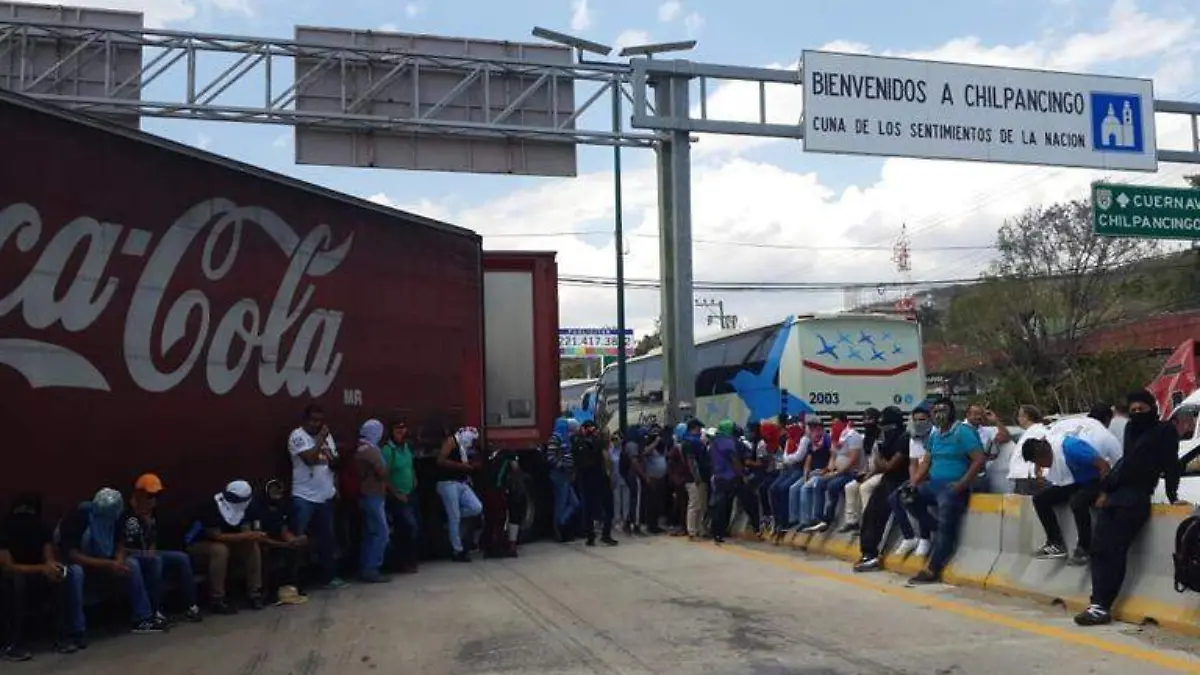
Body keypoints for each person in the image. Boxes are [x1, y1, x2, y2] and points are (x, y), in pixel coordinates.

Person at [1077, 390, 1186, 627]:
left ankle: (1102, 605)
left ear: (1152, 409)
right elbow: (1125, 464)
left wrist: (1172, 495)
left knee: (1115, 551)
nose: (1137, 414)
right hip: (1115, 496)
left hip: (1135, 498)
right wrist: (1105, 490)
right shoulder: (1130, 430)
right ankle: (1096, 602)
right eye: (1133, 410)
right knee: (1099, 550)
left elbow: (1171, 465)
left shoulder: (1164, 430)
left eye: (1142, 410)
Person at [905, 397, 987, 585]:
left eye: (943, 410)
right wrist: (914, 482)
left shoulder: (963, 432)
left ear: (952, 412)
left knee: (947, 512)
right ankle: (938, 530)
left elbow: (979, 459)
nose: (939, 414)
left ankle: (933, 568)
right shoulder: (935, 434)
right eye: (935, 411)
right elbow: (926, 461)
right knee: (906, 497)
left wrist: (961, 484)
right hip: (933, 484)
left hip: (953, 486)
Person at [62, 488, 163, 633]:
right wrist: (109, 564)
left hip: (108, 561)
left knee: (134, 563)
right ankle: (77, 631)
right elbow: (73, 555)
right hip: (83, 564)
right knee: (76, 573)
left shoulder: (114, 518)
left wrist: (119, 561)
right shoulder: (78, 519)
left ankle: (144, 617)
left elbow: (119, 544)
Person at [1, 494, 85, 659]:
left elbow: (49, 558)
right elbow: (8, 567)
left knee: (60, 577)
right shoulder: (4, 529)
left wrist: (52, 568)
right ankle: (12, 644)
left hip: (35, 574)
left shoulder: (41, 527)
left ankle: (63, 637)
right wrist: (42, 568)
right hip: (10, 578)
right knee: (15, 582)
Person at [1021, 427, 1112, 565]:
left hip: (1097, 479)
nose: (1041, 467)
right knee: (1040, 499)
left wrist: (1104, 493)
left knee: (1077, 502)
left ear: (1042, 455)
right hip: (1077, 481)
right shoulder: (1048, 448)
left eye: (1038, 463)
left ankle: (1084, 549)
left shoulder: (1071, 448)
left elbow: (1104, 466)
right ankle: (1055, 543)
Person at [122, 473, 202, 623]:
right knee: (155, 560)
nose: (153, 500)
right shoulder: (127, 514)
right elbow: (122, 545)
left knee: (181, 558)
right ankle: (154, 610)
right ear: (139, 494)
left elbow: (153, 540)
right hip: (131, 554)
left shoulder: (154, 512)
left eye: (156, 496)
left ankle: (191, 606)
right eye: (150, 496)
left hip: (149, 551)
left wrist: (151, 542)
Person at [185, 480, 266, 613]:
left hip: (230, 543)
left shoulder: (250, 507)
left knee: (251, 545)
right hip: (198, 545)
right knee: (220, 550)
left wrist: (252, 535)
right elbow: (215, 535)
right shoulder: (211, 507)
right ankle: (217, 599)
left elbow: (246, 529)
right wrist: (246, 536)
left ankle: (255, 592)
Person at [287, 405, 345, 590]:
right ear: (305, 420)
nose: (317, 424)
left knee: (327, 539)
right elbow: (310, 459)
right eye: (313, 420)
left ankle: (328, 577)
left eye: (320, 420)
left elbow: (335, 463)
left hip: (325, 495)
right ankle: (292, 582)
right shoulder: (297, 436)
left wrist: (335, 487)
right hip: (304, 496)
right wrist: (320, 438)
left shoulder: (327, 437)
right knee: (298, 539)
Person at [853, 406, 911, 572]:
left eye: (885, 425)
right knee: (869, 513)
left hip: (900, 480)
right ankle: (867, 553)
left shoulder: (903, 438)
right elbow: (881, 467)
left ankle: (873, 555)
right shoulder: (884, 439)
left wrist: (878, 453)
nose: (882, 429)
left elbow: (890, 465)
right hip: (887, 479)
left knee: (880, 515)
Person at [804, 415, 865, 533]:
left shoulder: (853, 436)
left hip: (852, 472)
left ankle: (828, 519)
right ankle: (818, 518)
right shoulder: (835, 436)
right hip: (838, 471)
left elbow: (853, 459)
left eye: (837, 423)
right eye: (832, 423)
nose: (834, 426)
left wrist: (836, 474)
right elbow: (833, 456)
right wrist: (830, 470)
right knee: (819, 482)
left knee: (833, 485)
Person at [889, 404, 935, 559]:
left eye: (922, 419)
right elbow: (913, 463)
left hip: (933, 476)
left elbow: (929, 463)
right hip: (918, 476)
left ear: (930, 419)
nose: (919, 423)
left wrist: (916, 482)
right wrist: (913, 480)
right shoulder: (914, 437)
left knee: (918, 497)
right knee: (894, 498)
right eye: (915, 420)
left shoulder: (936, 435)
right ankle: (909, 537)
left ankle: (925, 537)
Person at [436, 427, 484, 562]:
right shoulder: (452, 442)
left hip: (461, 482)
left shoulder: (464, 447)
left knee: (476, 507)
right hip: (447, 483)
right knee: (455, 517)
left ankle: (452, 517)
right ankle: (457, 550)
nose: (472, 444)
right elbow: (441, 460)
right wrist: (461, 466)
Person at [258, 479, 308, 605]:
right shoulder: (258, 507)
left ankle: (292, 587)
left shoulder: (283, 506)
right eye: (273, 489)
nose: (277, 492)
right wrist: (281, 544)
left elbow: (284, 529)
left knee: (294, 550)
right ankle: (268, 593)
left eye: (279, 489)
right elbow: (259, 535)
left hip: (278, 538)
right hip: (260, 539)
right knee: (269, 555)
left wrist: (293, 540)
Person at [381, 419, 419, 573]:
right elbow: (384, 475)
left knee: (415, 527)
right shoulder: (388, 450)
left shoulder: (406, 448)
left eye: (403, 429)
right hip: (397, 496)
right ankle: (401, 562)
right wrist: (395, 493)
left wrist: (414, 478)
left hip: (410, 493)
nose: (402, 432)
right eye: (398, 429)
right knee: (407, 527)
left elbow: (410, 465)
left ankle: (411, 559)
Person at [355, 419, 390, 583]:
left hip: (365, 495)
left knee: (370, 533)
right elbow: (382, 472)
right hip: (373, 495)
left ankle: (365, 568)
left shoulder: (360, 448)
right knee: (381, 533)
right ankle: (372, 568)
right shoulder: (371, 450)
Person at [479, 443, 528, 558]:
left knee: (491, 517)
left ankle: (489, 545)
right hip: (499, 490)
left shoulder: (491, 458)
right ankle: (500, 546)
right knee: (502, 517)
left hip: (487, 489)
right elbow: (515, 469)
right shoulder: (508, 456)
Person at [574, 420, 618, 546]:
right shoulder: (597, 444)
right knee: (608, 508)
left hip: (585, 481)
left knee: (588, 508)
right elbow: (605, 462)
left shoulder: (578, 443)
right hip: (600, 480)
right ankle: (605, 535)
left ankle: (590, 536)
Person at [793, 416, 833, 533]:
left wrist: (825, 470)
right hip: (812, 472)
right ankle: (796, 519)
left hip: (823, 472)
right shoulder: (812, 442)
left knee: (805, 488)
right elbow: (808, 461)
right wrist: (806, 475)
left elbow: (833, 458)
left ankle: (807, 521)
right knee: (794, 488)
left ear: (820, 427)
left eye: (814, 427)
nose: (812, 429)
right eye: (810, 427)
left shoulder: (827, 439)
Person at [708, 420, 744, 543]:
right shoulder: (727, 442)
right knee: (724, 506)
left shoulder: (715, 441)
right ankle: (720, 532)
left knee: (718, 504)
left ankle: (716, 531)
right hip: (728, 477)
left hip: (717, 476)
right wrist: (741, 473)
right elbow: (734, 459)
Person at [545, 417, 580, 542]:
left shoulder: (565, 438)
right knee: (561, 504)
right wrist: (563, 465)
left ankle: (561, 523)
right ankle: (559, 528)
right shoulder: (555, 438)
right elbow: (550, 457)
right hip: (559, 476)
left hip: (566, 476)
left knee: (575, 503)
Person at [682, 418, 709, 540]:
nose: (700, 431)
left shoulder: (692, 441)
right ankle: (692, 530)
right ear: (694, 428)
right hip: (693, 479)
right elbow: (691, 461)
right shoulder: (690, 442)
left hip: (697, 477)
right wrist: (696, 476)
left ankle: (699, 529)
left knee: (700, 505)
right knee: (695, 504)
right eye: (698, 428)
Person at [666, 424, 692, 537]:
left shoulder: (678, 447)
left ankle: (683, 526)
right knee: (684, 504)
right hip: (683, 479)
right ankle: (683, 526)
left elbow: (670, 462)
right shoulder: (682, 446)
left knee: (683, 504)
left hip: (680, 479)